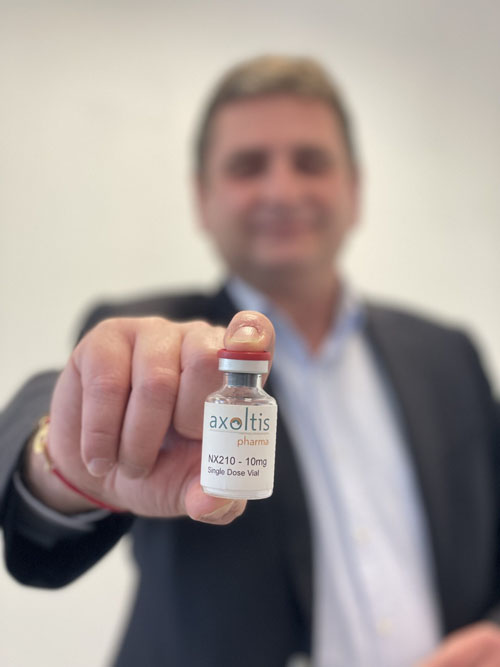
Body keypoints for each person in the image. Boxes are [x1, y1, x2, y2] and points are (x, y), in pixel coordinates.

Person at [1, 54, 500, 667]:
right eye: (247, 166)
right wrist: (60, 463)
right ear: (203, 199)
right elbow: (61, 412)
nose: (282, 191)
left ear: (355, 190)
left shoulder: (449, 355)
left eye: (310, 162)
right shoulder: (159, 345)